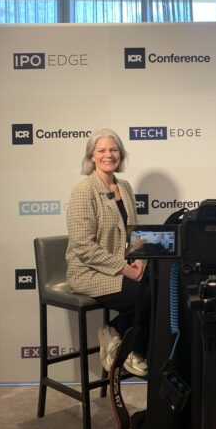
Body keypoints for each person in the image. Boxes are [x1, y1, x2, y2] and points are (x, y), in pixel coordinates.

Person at [66, 128, 149, 377]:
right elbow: (83, 246)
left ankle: (113, 333)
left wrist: (140, 259)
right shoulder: (84, 190)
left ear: (120, 154)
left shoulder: (125, 187)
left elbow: (135, 231)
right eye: (101, 150)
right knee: (144, 294)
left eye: (113, 150)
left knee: (159, 286)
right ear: (91, 156)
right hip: (89, 272)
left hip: (123, 267)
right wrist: (124, 268)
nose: (108, 155)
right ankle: (128, 347)